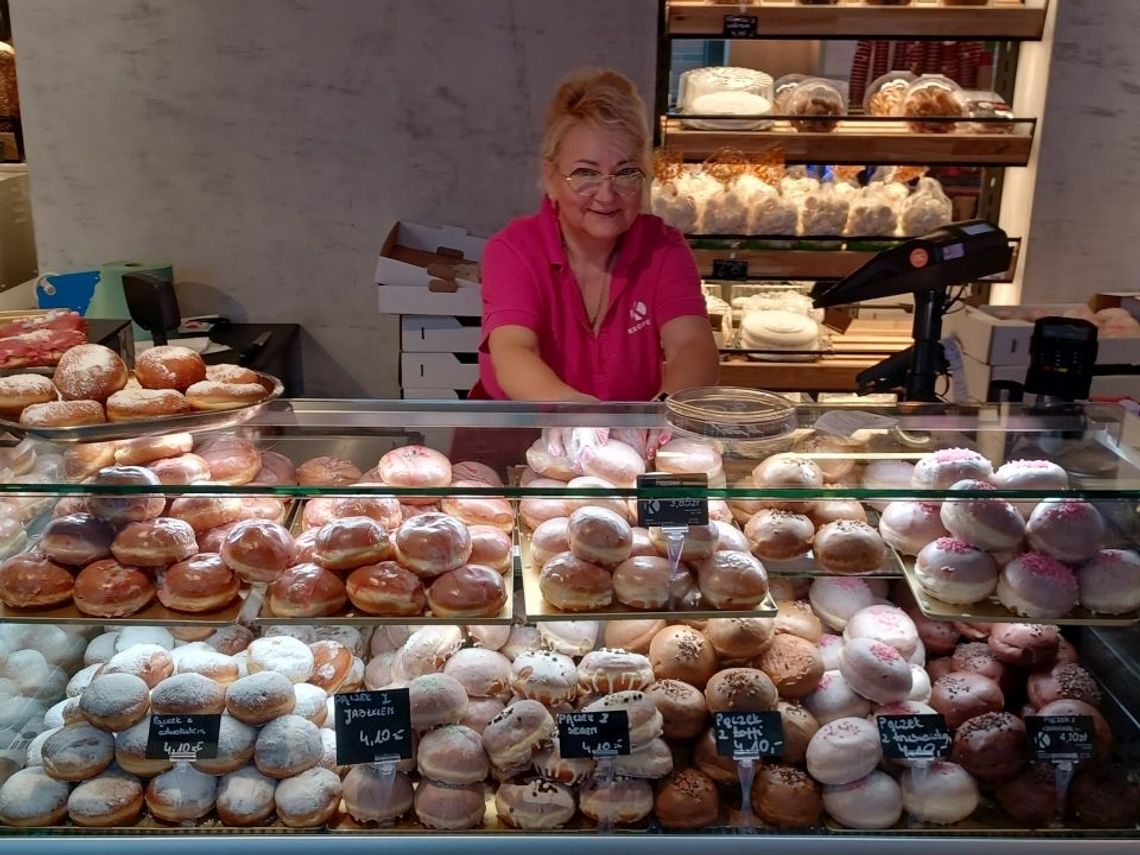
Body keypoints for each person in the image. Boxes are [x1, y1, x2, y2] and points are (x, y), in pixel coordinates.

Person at [474, 67, 719, 402]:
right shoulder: (513, 249)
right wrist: (585, 417)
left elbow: (692, 346)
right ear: (551, 177)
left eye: (625, 172)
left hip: (629, 443)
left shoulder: (663, 247)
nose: (606, 194)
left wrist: (660, 415)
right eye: (585, 173)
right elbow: (514, 352)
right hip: (517, 441)